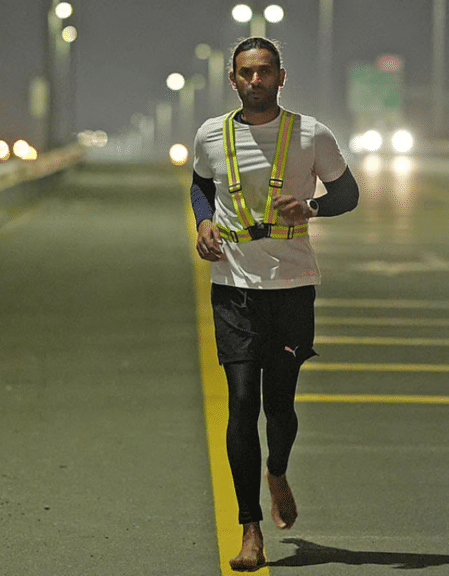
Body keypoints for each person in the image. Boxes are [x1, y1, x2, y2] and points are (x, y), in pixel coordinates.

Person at [189, 37, 359, 572]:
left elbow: (348, 194)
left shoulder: (311, 134)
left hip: (291, 287)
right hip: (233, 286)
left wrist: (310, 206)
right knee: (241, 404)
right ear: (232, 78)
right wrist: (203, 221)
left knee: (279, 407)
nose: (255, 81)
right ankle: (250, 529)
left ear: (282, 77)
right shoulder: (211, 135)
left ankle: (277, 469)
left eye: (265, 72)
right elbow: (200, 181)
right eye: (245, 73)